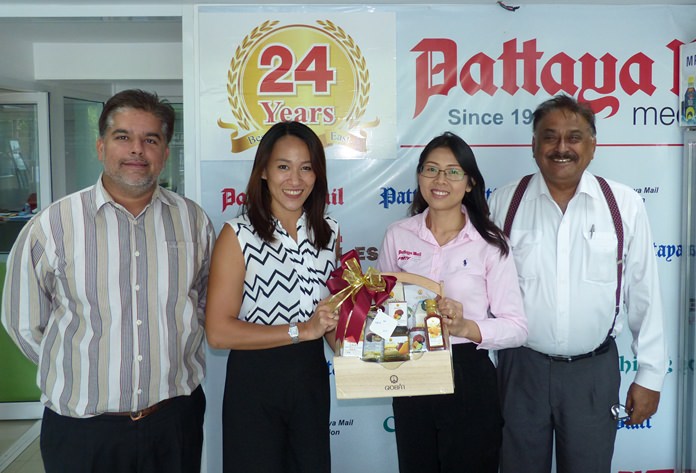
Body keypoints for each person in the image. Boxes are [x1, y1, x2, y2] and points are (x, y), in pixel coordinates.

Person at [1, 89, 215, 473]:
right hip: (82, 428)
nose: (137, 150)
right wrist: (79, 367)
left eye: (151, 139)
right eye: (123, 137)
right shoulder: (54, 225)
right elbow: (23, 323)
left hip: (173, 421)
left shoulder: (192, 220)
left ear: (165, 153)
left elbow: (204, 301)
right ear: (101, 147)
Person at [488, 94, 668, 473]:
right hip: (520, 370)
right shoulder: (504, 203)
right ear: (534, 145)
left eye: (574, 137)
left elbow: (644, 295)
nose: (561, 148)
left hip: (593, 374)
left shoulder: (624, 204)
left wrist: (650, 376)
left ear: (592, 145)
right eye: (550, 137)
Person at [376, 132, 527, 473]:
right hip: (411, 368)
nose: (440, 180)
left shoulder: (490, 243)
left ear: (470, 183)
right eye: (431, 169)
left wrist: (465, 327)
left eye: (453, 172)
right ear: (419, 176)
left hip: (468, 372)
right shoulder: (397, 234)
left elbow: (517, 327)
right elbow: (383, 310)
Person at [205, 121, 339, 473]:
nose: (295, 180)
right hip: (255, 381)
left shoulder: (329, 232)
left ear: (317, 174)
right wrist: (301, 330)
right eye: (283, 167)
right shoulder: (238, 234)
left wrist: (365, 350)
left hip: (310, 378)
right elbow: (218, 332)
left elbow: (326, 320)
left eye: (306, 168)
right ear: (263, 171)